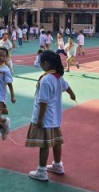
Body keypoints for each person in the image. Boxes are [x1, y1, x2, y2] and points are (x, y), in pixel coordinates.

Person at [26, 51, 77, 182]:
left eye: (41, 61)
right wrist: (72, 95)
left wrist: (39, 119)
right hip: (55, 117)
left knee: (44, 145)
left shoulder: (46, 79)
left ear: (46, 63)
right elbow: (67, 87)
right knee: (56, 142)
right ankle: (57, 165)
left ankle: (41, 171)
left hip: (46, 118)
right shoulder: (57, 77)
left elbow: (43, 102)